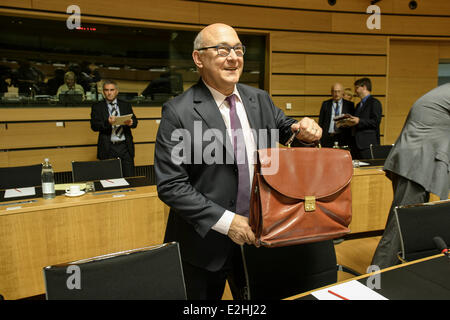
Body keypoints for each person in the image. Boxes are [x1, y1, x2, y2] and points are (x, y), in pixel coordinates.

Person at [154, 23, 322, 300]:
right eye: (222, 50)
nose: (233, 57)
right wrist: (228, 222)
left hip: (261, 236)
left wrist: (306, 132)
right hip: (204, 244)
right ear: (199, 58)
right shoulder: (178, 111)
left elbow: (288, 131)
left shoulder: (260, 99)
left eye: (238, 49)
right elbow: (171, 185)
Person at [371, 83, 450, 269]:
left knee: (415, 226)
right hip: (417, 160)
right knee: (399, 227)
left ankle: (411, 272)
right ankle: (374, 281)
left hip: (415, 158)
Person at [90, 80, 138, 177]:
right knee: (110, 178)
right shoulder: (97, 107)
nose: (109, 93)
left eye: (112, 90)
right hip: (108, 147)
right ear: (103, 92)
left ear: (116, 91)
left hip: (125, 146)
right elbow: (94, 126)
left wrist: (131, 122)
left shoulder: (125, 104)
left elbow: (135, 121)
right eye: (106, 90)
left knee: (129, 177)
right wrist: (108, 123)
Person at [336, 78, 382, 159]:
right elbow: (356, 122)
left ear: (364, 87)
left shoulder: (374, 102)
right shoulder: (358, 105)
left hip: (367, 144)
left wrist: (359, 120)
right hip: (355, 144)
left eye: (357, 88)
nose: (355, 91)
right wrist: (347, 123)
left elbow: (376, 122)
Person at [318, 83, 354, 148]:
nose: (336, 94)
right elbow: (321, 122)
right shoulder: (325, 104)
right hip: (328, 137)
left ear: (342, 92)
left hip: (343, 137)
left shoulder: (349, 105)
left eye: (339, 91)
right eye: (335, 91)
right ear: (331, 92)